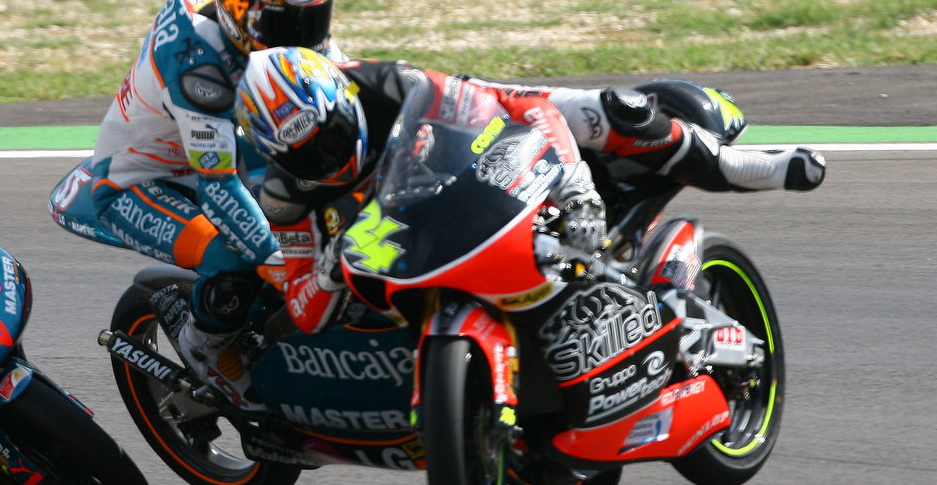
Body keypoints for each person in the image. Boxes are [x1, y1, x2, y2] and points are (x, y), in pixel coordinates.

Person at [235, 47, 827, 336]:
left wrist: (574, 193)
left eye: (331, 135)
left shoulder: (389, 84)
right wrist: (329, 272)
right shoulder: (284, 195)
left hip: (469, 176)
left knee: (610, 113)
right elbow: (303, 310)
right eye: (305, 153)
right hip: (395, 267)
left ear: (342, 100)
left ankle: (744, 164)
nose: (327, 156)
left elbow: (500, 112)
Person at [50, 0, 345, 409]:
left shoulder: (258, 19)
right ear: (243, 14)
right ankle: (204, 347)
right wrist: (281, 265)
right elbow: (220, 187)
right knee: (237, 255)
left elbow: (342, 80)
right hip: (136, 182)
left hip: (210, 149)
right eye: (292, 27)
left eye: (314, 21)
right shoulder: (198, 64)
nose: (306, 40)